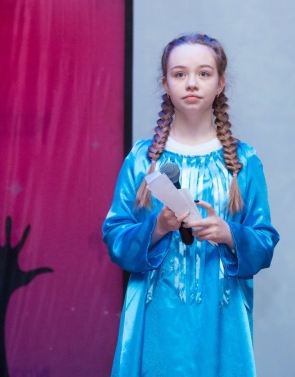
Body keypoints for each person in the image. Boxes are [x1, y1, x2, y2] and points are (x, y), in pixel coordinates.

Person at [102, 33, 280, 377]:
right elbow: (115, 236)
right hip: (156, 316)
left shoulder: (243, 162)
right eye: (180, 74)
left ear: (220, 83)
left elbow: (265, 241)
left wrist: (229, 233)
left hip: (220, 314)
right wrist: (158, 227)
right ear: (165, 84)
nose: (192, 83)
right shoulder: (142, 160)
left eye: (204, 73)